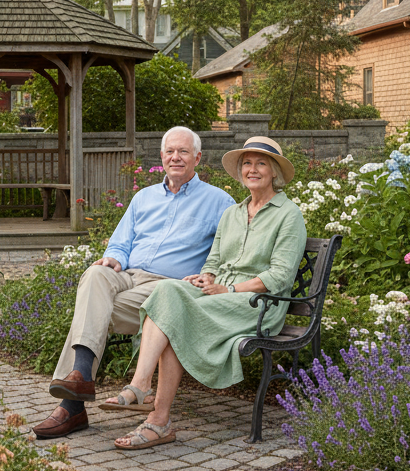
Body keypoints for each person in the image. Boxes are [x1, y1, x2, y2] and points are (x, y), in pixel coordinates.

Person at [104, 135, 306, 449]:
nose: (252, 169)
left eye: (261, 163)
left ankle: (158, 419)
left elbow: (279, 276)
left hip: (259, 303)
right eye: (247, 163)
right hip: (221, 294)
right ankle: (142, 386)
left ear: (275, 172)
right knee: (169, 291)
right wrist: (206, 276)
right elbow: (214, 258)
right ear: (240, 171)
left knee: (176, 318)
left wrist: (230, 287)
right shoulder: (233, 213)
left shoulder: (288, 215)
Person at [32, 126, 234, 439]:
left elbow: (226, 253)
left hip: (167, 288)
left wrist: (209, 275)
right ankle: (81, 377)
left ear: (198, 157)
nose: (175, 157)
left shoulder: (220, 202)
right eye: (170, 151)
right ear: (162, 157)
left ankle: (71, 406)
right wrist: (113, 256)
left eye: (183, 151)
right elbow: (120, 243)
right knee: (96, 273)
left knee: (89, 313)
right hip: (127, 276)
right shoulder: (144, 198)